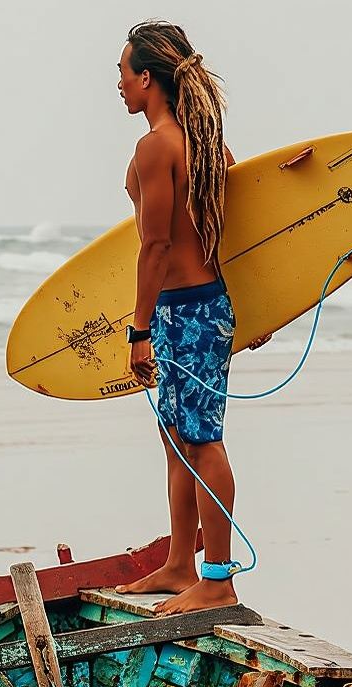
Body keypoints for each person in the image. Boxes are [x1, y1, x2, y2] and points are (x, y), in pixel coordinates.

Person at [111, 20, 269, 614]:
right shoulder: (202, 143)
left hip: (186, 311)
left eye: (123, 74)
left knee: (203, 442)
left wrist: (140, 330)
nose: (119, 86)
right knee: (177, 439)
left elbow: (154, 246)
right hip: (206, 305)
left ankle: (219, 578)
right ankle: (180, 565)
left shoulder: (157, 146)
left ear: (147, 77)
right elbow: (241, 219)